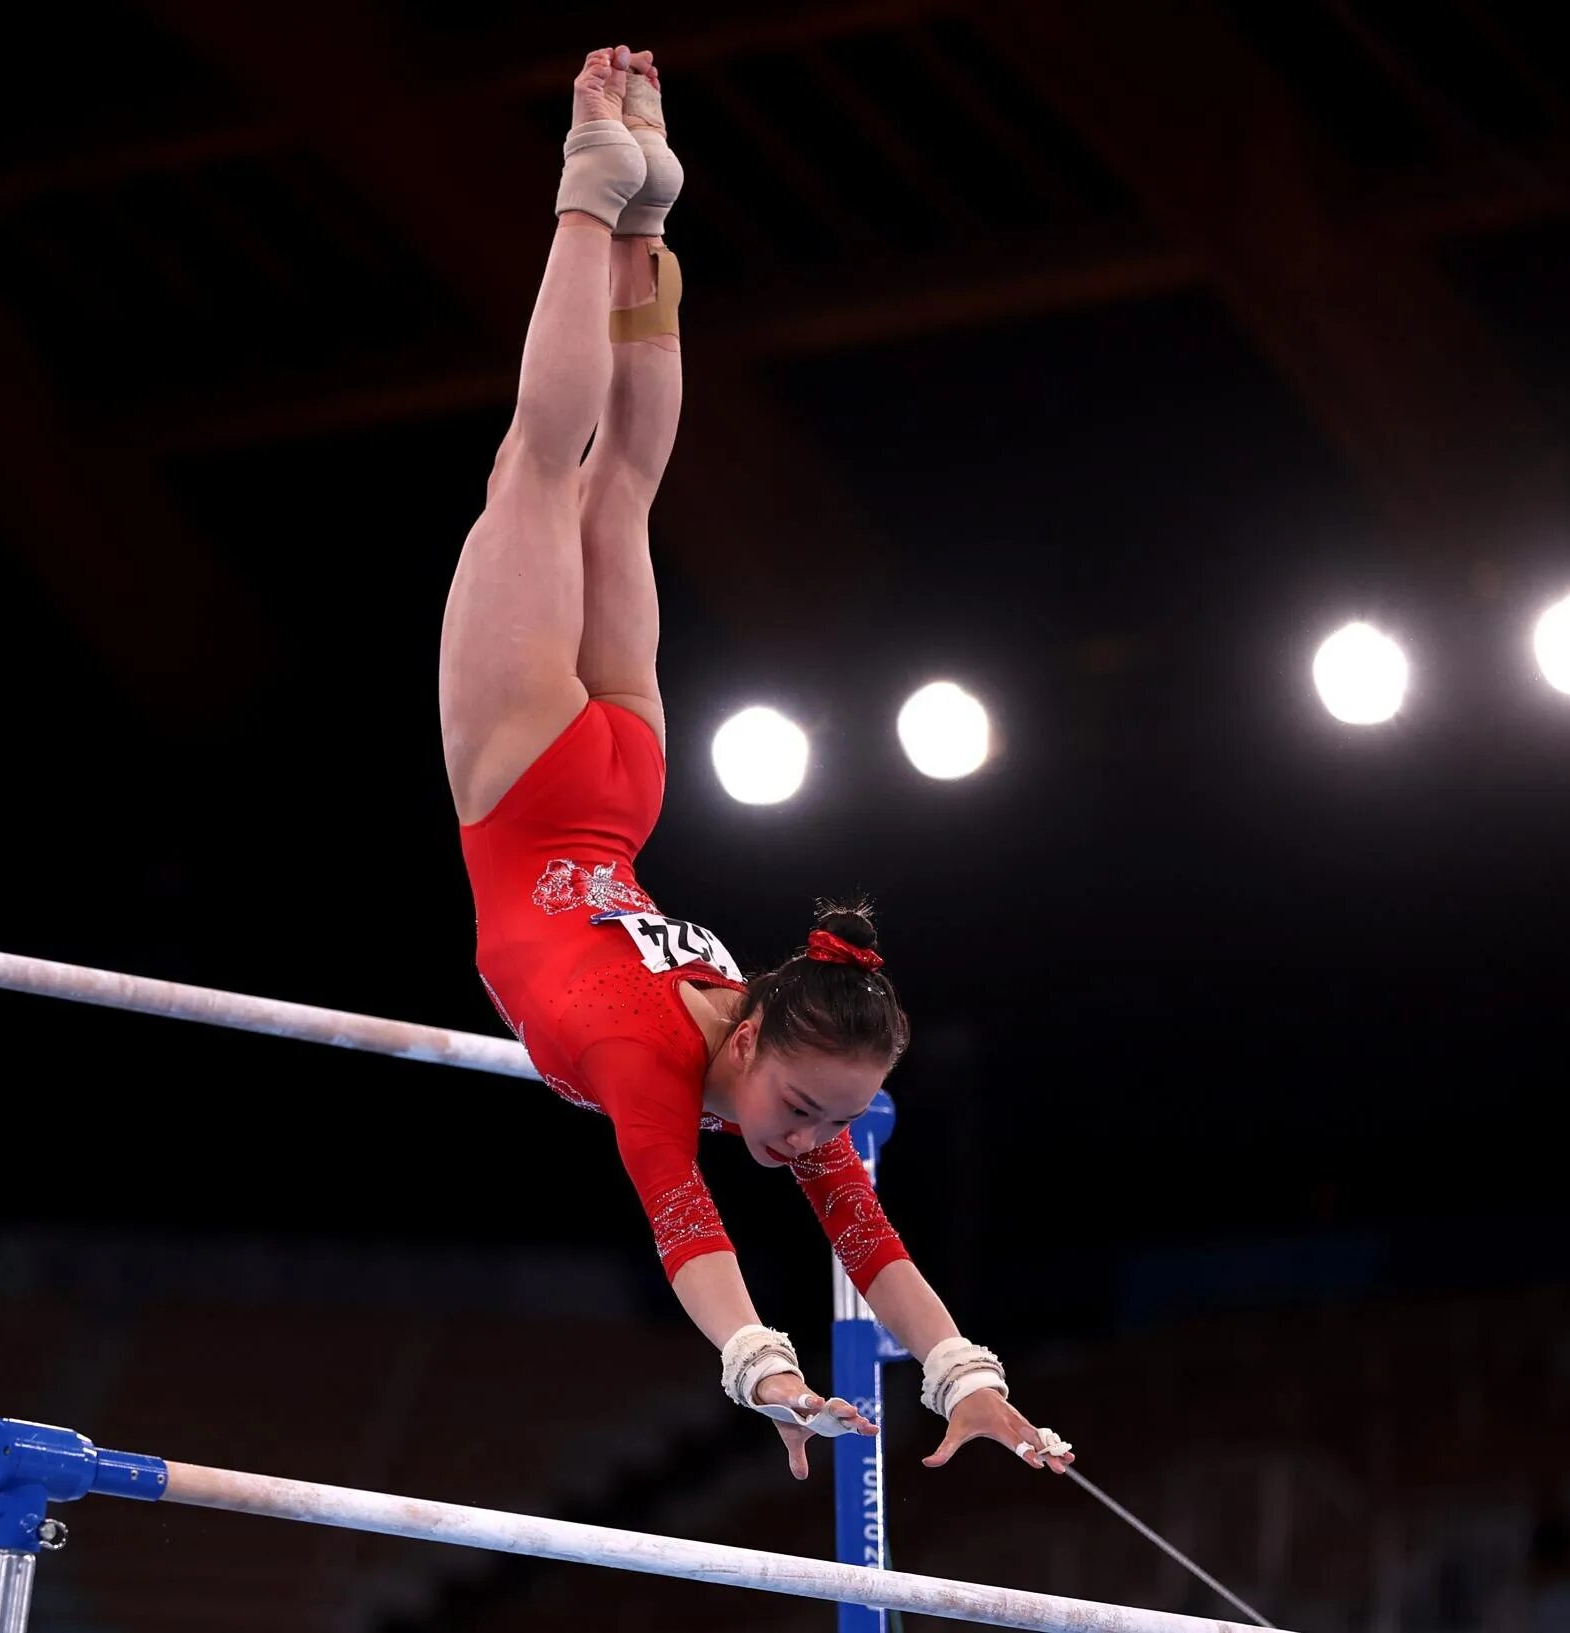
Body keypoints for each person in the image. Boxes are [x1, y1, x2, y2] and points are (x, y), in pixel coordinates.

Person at [444, 44, 1075, 1484]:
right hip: (550, 790)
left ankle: (650, 216)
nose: (811, 1143)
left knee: (607, 485)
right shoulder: (661, 1061)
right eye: (807, 1112)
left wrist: (966, 1378)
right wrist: (765, 1365)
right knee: (552, 473)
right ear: (750, 1043)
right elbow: (685, 1219)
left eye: (830, 1121)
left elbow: (869, 1238)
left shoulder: (771, 1059)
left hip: (610, 792)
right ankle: (604, 204)